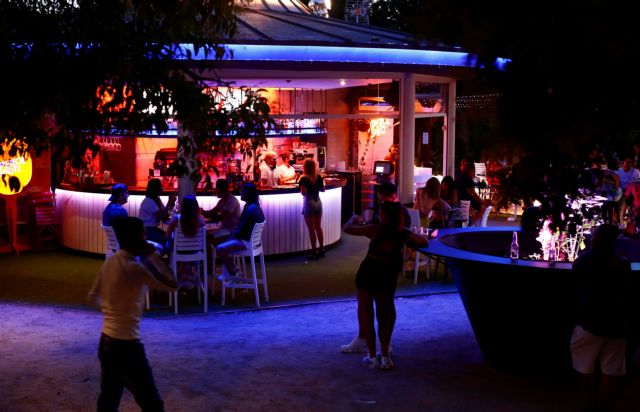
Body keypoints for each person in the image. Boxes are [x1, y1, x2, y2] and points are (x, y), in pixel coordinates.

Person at [87, 217, 177, 411]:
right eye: (144, 234)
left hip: (106, 341)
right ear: (138, 238)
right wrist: (153, 255)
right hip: (127, 346)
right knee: (153, 404)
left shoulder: (110, 263)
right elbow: (172, 284)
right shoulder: (135, 268)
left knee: (108, 400)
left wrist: (113, 311)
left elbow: (92, 297)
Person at [342, 201, 428, 370]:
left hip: (367, 271)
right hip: (386, 275)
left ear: (383, 215)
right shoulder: (402, 233)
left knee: (366, 313)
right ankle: (385, 356)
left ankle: (372, 356)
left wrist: (352, 219)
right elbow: (423, 242)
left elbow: (348, 229)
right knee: (384, 315)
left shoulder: (375, 229)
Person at [571, 224, 632, 412]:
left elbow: (576, 273)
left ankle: (589, 404)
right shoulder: (622, 264)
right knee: (611, 369)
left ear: (595, 239)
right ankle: (604, 406)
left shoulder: (584, 260)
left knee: (582, 366)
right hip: (617, 324)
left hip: (589, 323)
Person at [216, 182, 265, 277]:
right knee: (223, 241)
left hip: (245, 242)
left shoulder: (250, 209)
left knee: (220, 248)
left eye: (242, 190)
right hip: (252, 242)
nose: (240, 192)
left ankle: (232, 271)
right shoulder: (255, 207)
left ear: (248, 193)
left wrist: (230, 237)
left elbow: (241, 229)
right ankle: (233, 269)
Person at [139, 178, 176, 251]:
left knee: (171, 238)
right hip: (147, 231)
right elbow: (161, 215)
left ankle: (168, 256)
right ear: (155, 188)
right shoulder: (148, 201)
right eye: (161, 187)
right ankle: (162, 256)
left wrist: (171, 204)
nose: (162, 188)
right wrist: (169, 202)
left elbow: (164, 218)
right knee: (168, 240)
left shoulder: (157, 200)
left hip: (153, 230)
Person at [299, 158, 325, 261]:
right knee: (318, 227)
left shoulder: (303, 178)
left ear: (304, 167)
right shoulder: (318, 177)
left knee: (311, 229)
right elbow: (323, 190)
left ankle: (314, 252)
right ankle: (322, 249)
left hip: (309, 202)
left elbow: (303, 193)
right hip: (318, 202)